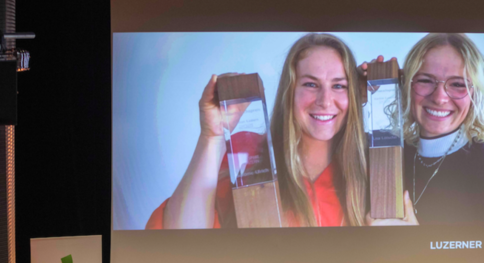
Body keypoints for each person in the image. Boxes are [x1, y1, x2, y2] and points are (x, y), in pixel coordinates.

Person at [149, 33, 368, 230]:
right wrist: (212, 136)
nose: (325, 101)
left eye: (339, 86)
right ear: (289, 91)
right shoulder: (247, 153)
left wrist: (391, 89)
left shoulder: (368, 170)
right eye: (311, 84)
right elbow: (180, 239)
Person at [363, 34, 484, 227]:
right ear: (407, 86)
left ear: (475, 95)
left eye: (457, 84)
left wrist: (415, 242)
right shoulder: (385, 157)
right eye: (426, 80)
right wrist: (353, 93)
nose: (439, 98)